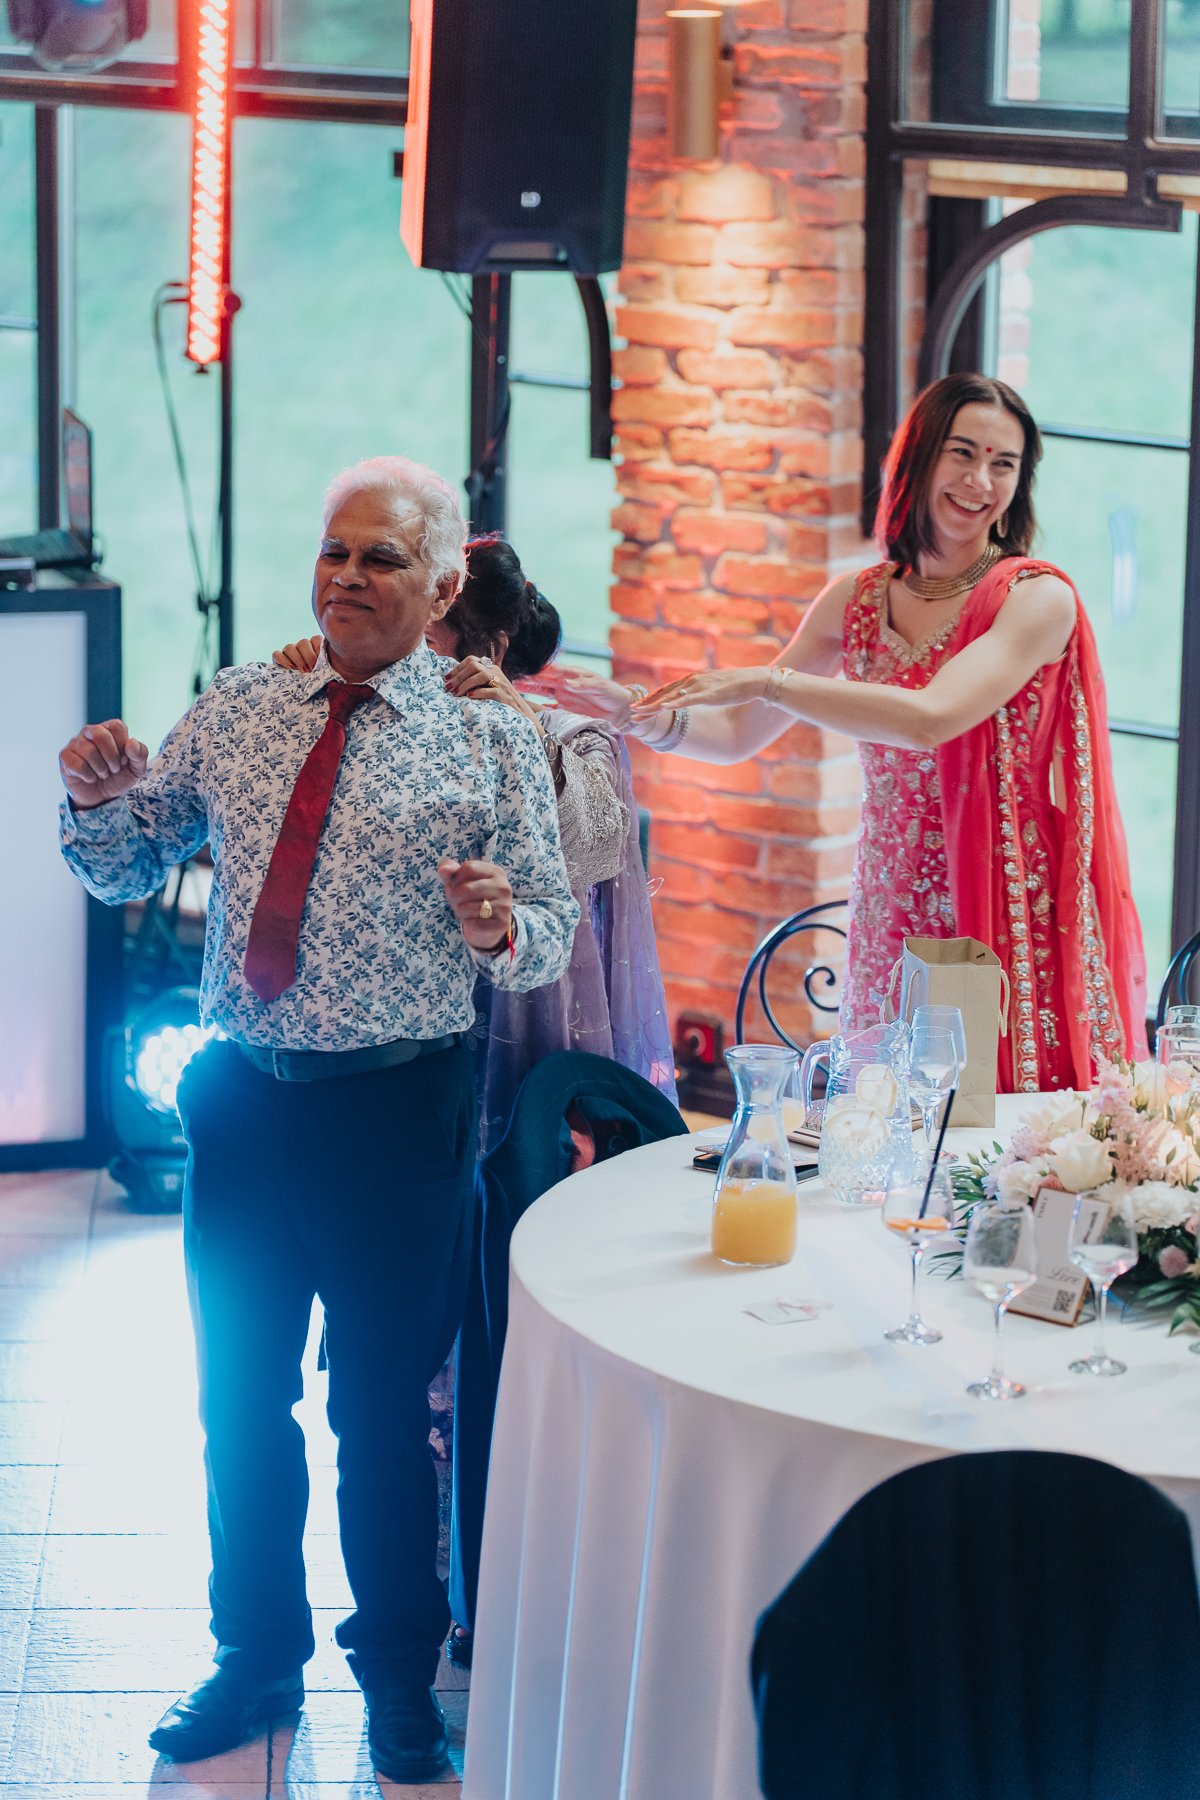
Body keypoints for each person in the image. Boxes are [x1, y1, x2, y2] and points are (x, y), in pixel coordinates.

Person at [56, 456, 579, 1782]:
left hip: (399, 1112)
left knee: (383, 1418)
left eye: (381, 558)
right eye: (335, 551)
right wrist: (95, 800)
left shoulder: (489, 736)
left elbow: (548, 933)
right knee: (237, 1401)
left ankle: (397, 1675)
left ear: (443, 588)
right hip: (239, 1103)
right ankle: (252, 1659)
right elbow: (127, 866)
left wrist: (502, 927)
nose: (346, 576)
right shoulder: (241, 703)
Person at [558, 374, 1147, 1093]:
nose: (980, 481)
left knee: (986, 1123)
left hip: (1003, 904)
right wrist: (636, 714)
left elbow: (931, 718)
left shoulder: (1034, 599)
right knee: (885, 1116)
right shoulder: (858, 601)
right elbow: (738, 733)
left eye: (1004, 464)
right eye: (962, 453)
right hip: (888, 899)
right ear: (919, 458)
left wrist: (768, 679)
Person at [275, 533, 676, 1150]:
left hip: (521, 989)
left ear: (494, 650)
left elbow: (597, 845)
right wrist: (308, 687)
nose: (405, 658)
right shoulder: (376, 714)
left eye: (428, 644)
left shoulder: (575, 737)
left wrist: (525, 732)